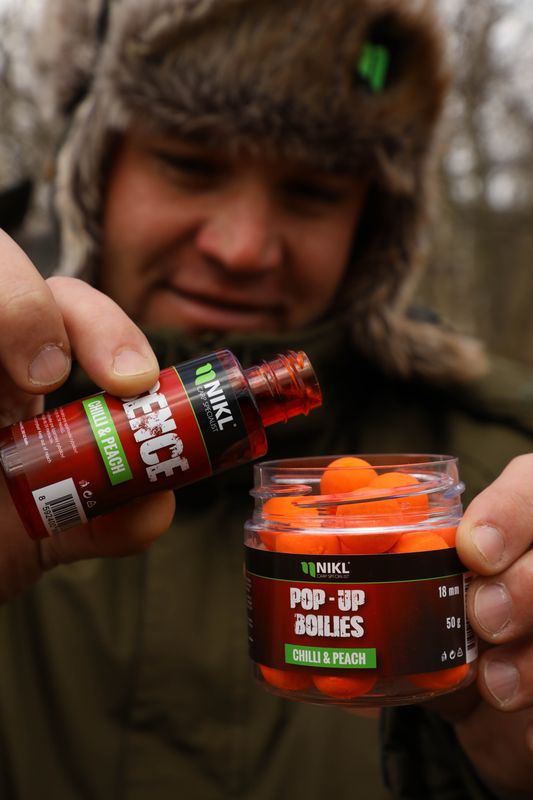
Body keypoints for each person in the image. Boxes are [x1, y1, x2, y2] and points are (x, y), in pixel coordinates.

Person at [0, 0, 532, 797]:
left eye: (310, 191)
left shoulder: (495, 479)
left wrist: (489, 771)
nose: (242, 248)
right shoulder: (20, 448)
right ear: (95, 169)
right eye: (191, 164)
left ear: (371, 227)